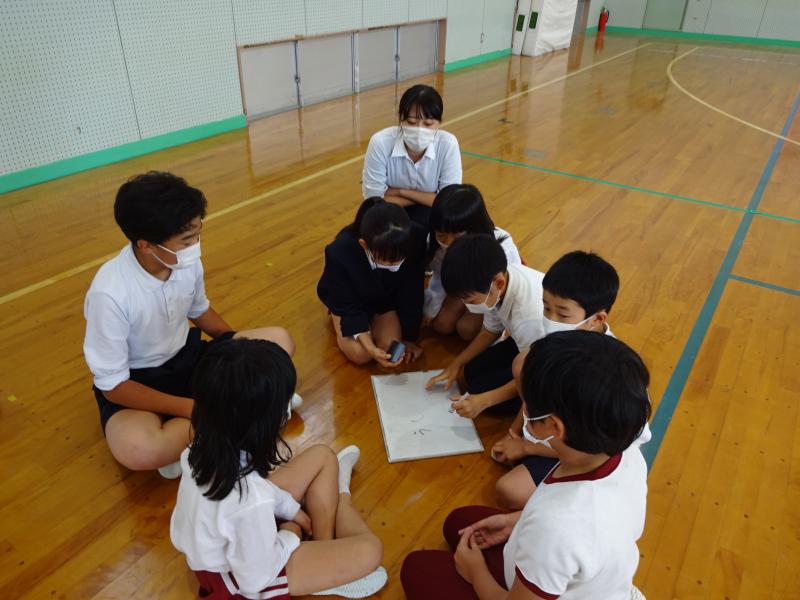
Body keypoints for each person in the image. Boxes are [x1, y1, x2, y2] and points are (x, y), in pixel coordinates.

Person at [401, 332, 651, 600]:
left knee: (417, 569)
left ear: (554, 426)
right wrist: (515, 521)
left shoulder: (557, 526)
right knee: (460, 522)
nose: (523, 411)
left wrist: (476, 573)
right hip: (579, 567)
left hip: (544, 570)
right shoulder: (625, 452)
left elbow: (560, 532)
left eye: (526, 404)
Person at [83, 172, 299, 479]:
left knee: (279, 340)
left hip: (189, 359)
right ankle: (241, 412)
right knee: (139, 448)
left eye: (197, 235)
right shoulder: (110, 293)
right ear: (145, 245)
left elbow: (199, 310)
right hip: (138, 384)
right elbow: (114, 386)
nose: (195, 246)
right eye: (187, 241)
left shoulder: (181, 260)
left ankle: (196, 435)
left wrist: (242, 356)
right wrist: (191, 408)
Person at [170, 338, 387, 599]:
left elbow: (252, 495)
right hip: (243, 581)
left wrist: (290, 509)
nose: (287, 414)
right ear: (262, 423)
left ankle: (324, 553)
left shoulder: (198, 449)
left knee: (323, 456)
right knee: (370, 550)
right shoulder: (249, 499)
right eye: (283, 407)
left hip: (224, 554)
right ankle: (342, 498)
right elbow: (255, 578)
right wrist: (289, 535)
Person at [491, 251, 638, 509]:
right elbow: (535, 395)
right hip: (558, 437)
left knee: (509, 491)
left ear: (597, 319)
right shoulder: (560, 342)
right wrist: (514, 433)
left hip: (588, 453)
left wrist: (527, 448)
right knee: (524, 362)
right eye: (546, 308)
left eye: (562, 314)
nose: (550, 320)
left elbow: (598, 451)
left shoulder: (601, 375)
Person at [426, 234, 544, 418]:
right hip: (527, 345)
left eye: (470, 300)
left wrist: (485, 401)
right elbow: (489, 331)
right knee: (471, 371)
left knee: (480, 391)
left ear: (499, 283)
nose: (466, 305)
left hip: (549, 364)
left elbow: (532, 373)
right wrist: (456, 363)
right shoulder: (496, 285)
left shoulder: (527, 317)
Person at [317, 198, 425, 367]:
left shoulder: (415, 236)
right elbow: (347, 303)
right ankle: (337, 318)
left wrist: (409, 338)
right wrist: (370, 348)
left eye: (400, 258)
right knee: (361, 354)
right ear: (364, 245)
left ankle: (373, 323)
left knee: (391, 350)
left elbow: (413, 289)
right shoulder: (339, 252)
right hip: (350, 301)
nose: (396, 264)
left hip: (385, 298)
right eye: (388, 260)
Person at [425, 184, 521, 341]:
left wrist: (496, 327)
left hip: (487, 294)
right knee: (442, 325)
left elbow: (505, 292)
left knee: (466, 329)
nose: (448, 243)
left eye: (457, 236)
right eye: (441, 235)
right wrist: (432, 308)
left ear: (475, 228)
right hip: (462, 289)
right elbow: (439, 277)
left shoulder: (501, 248)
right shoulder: (435, 244)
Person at [362, 84, 462, 227]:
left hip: (431, 214)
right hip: (387, 214)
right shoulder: (381, 142)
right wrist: (430, 197)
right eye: (411, 122)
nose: (419, 130)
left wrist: (400, 192)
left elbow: (449, 202)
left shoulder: (448, 144)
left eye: (428, 124)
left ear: (439, 122)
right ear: (400, 118)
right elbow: (373, 201)